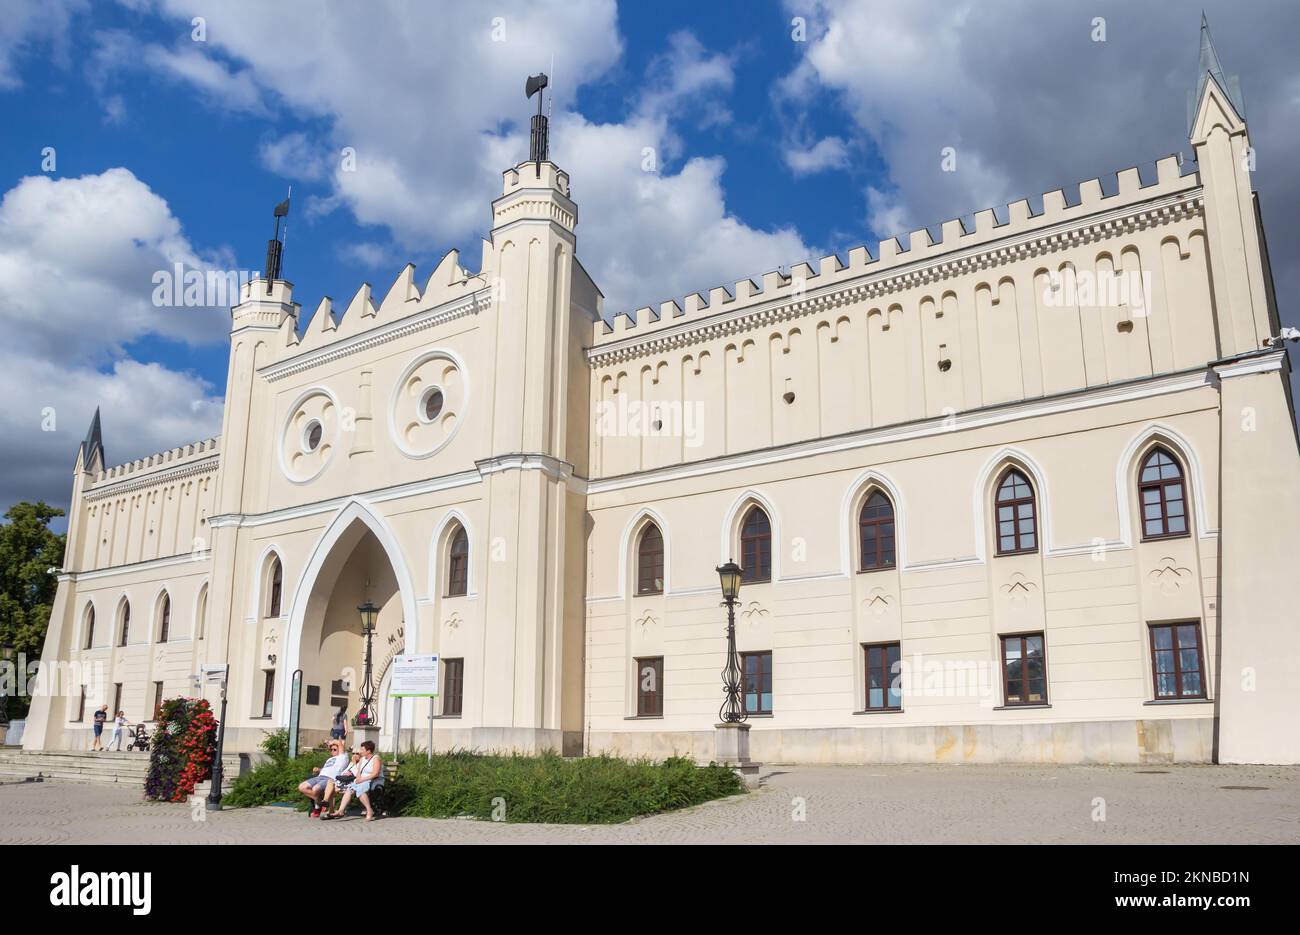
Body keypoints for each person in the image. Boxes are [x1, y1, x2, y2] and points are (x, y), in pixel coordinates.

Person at [329, 740, 382, 821]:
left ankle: (369, 810)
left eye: (362, 750)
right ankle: (341, 811)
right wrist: (358, 778)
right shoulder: (362, 759)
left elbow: (375, 774)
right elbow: (358, 771)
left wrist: (361, 779)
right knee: (350, 789)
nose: (361, 752)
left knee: (360, 788)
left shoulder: (376, 758)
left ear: (368, 751)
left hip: (373, 781)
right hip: (362, 780)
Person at [298, 740, 349, 818]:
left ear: (340, 750)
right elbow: (326, 769)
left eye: (334, 749)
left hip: (329, 779)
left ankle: (318, 807)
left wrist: (330, 743)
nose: (332, 751)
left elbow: (339, 743)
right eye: (331, 749)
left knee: (315, 789)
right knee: (302, 787)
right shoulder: (329, 759)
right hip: (319, 777)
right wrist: (318, 770)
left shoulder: (343, 757)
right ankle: (320, 803)